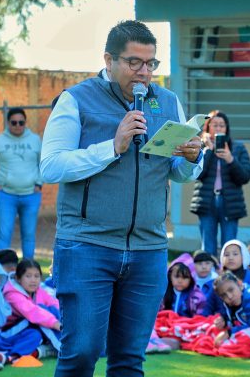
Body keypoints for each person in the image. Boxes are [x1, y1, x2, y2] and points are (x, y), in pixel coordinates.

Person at [39, 20, 203, 376]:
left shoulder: (168, 102)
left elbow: (174, 171)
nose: (144, 73)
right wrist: (112, 146)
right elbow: (50, 166)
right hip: (87, 246)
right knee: (81, 353)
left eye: (151, 64)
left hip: (148, 249)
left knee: (129, 360)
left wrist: (191, 159)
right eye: (134, 63)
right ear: (109, 60)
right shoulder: (76, 99)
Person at [190, 110, 250, 256]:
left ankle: (227, 276)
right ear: (207, 128)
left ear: (227, 128)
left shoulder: (238, 148)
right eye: (214, 125)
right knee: (208, 248)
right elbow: (198, 174)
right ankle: (209, 276)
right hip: (207, 202)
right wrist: (208, 150)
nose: (218, 128)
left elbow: (245, 177)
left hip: (229, 202)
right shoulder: (200, 148)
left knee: (229, 247)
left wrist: (230, 158)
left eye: (222, 125)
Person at [0, 109, 43, 259]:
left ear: (25, 123)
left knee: (29, 234)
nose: (18, 126)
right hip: (6, 195)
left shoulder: (35, 140)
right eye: (14, 123)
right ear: (8, 123)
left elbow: (44, 163)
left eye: (21, 122)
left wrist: (39, 183)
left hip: (31, 195)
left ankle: (28, 269)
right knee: (4, 234)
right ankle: (1, 270)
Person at [1, 259, 60, 360]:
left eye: (36, 276)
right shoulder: (11, 294)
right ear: (18, 278)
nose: (33, 280)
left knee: (52, 311)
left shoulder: (38, 290)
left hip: (28, 331)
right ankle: (67, 348)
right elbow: (32, 312)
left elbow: (55, 304)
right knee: (37, 329)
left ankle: (70, 343)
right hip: (7, 334)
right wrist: (56, 324)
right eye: (28, 276)